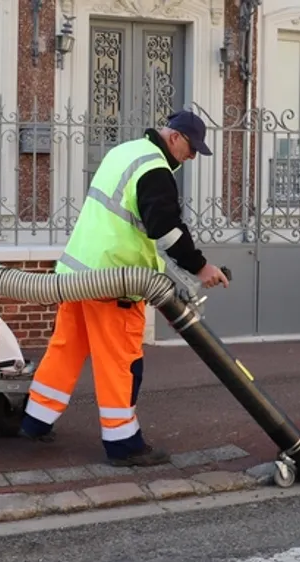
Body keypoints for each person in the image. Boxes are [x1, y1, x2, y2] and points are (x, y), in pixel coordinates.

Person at [18, 110, 230, 467]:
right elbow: (165, 230)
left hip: (77, 274)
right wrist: (201, 267)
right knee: (121, 362)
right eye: (192, 149)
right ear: (174, 137)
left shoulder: (125, 151)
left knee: (65, 350)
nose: (192, 157)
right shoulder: (155, 170)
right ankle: (123, 443)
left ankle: (35, 421)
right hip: (113, 283)